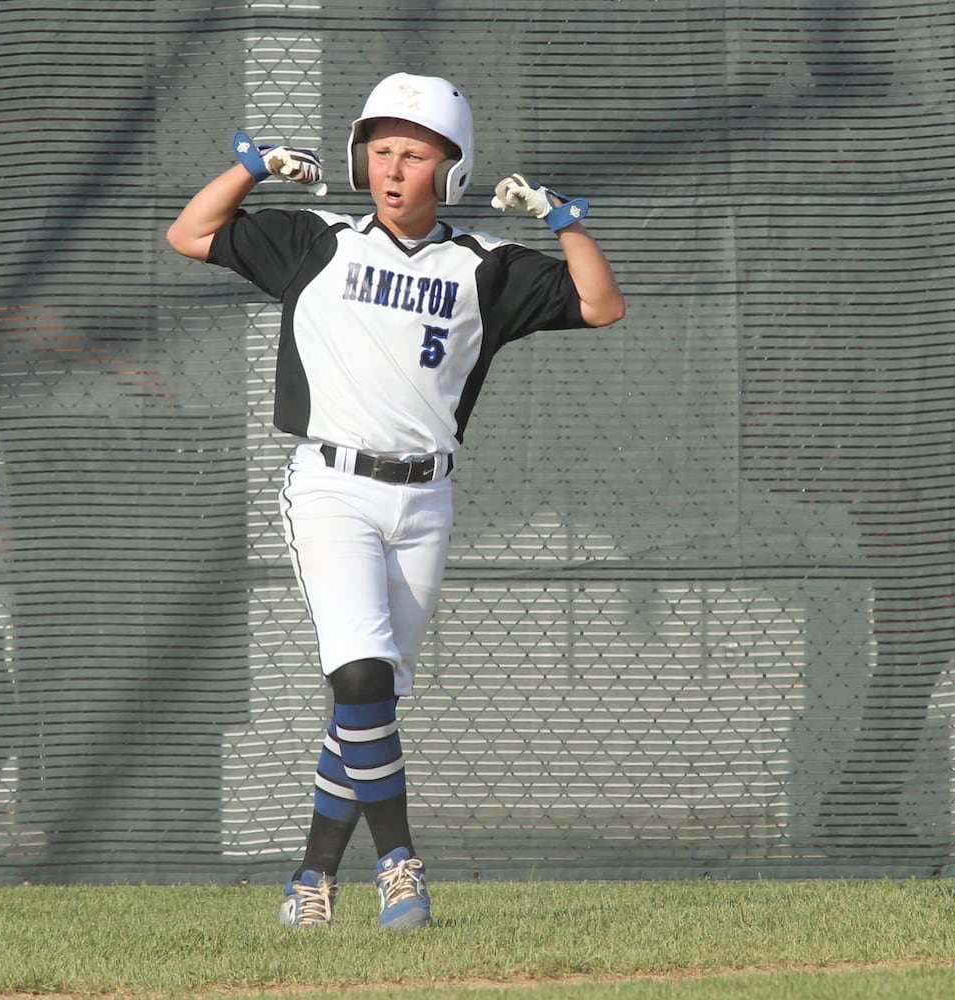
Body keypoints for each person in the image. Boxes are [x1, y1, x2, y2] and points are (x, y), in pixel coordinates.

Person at [165, 72, 625, 928]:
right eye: (380, 150)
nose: (394, 168)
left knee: (364, 705)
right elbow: (191, 234)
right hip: (332, 486)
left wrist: (565, 223)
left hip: (425, 503)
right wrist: (253, 169)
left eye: (415, 154)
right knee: (363, 673)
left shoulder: (485, 268)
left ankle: (309, 878)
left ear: (452, 172)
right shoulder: (318, 242)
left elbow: (601, 306)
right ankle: (400, 864)